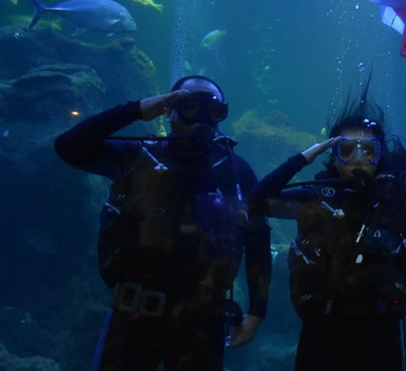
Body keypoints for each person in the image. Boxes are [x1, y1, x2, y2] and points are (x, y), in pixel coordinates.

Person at [54, 75, 271, 371]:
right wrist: (137, 109)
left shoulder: (235, 170)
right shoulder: (139, 155)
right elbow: (68, 146)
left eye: (213, 110)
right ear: (169, 111)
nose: (202, 119)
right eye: (190, 107)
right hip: (134, 313)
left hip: (202, 319)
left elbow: (257, 238)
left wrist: (258, 310)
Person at [252, 86, 406, 371]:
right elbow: (255, 202)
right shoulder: (315, 198)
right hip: (321, 331)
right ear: (333, 155)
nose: (358, 159)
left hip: (381, 333)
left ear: (380, 156)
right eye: (347, 151)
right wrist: (305, 156)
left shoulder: (395, 202)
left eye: (369, 151)